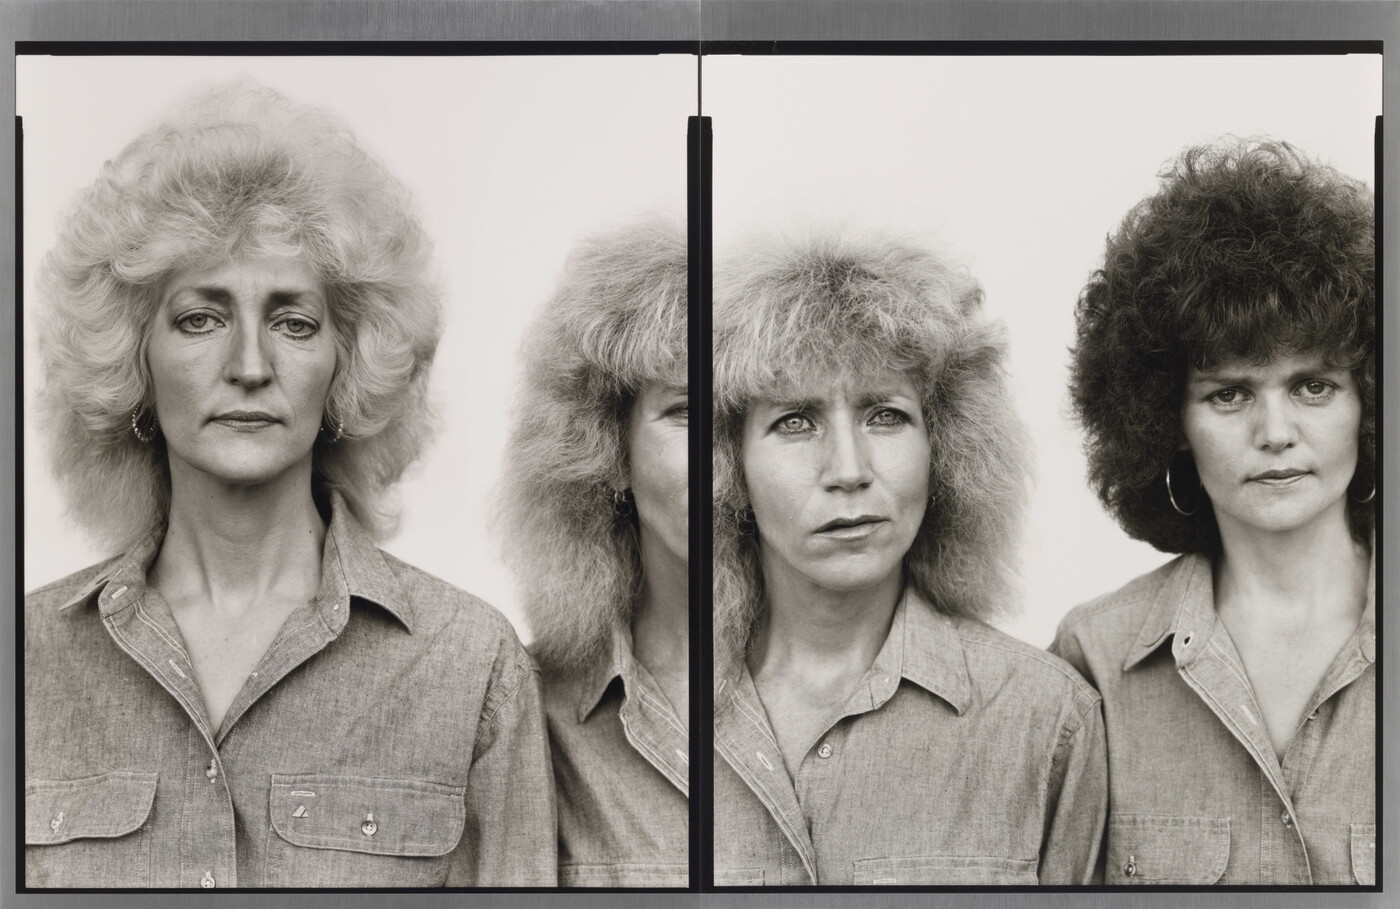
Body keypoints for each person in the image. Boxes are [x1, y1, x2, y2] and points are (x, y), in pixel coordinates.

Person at [24, 83, 555, 888]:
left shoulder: (468, 666)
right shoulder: (25, 664)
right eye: (201, 317)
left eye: (293, 321)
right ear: (134, 355)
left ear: (348, 360)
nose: (248, 366)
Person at [711, 233, 1107, 886]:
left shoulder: (1045, 717)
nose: (848, 470)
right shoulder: (639, 715)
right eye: (795, 421)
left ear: (944, 446)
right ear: (730, 466)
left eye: (885, 415)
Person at [1052, 139, 1375, 885]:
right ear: (1168, 422)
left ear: (1368, 398)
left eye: (1313, 385)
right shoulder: (1097, 660)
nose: (1276, 432)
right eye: (1229, 393)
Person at [499, 219, 689, 887]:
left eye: (756, 413)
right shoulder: (514, 708)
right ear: (609, 453)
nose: (725, 456)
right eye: (689, 411)